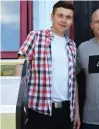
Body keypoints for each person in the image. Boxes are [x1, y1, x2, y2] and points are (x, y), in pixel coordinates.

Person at [18, 1, 80, 129]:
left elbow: (73, 81)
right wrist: (19, 102)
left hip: (65, 111)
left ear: (72, 20)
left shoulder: (72, 46)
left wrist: (76, 112)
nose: (64, 20)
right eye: (60, 15)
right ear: (52, 16)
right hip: (38, 111)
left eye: (68, 17)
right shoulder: (35, 37)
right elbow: (20, 66)